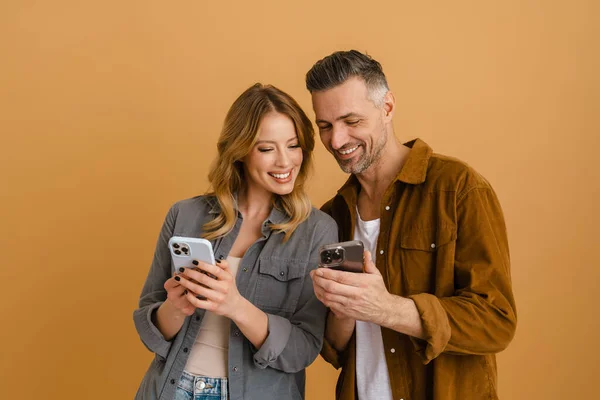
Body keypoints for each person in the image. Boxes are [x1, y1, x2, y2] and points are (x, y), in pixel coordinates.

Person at [307, 50, 517, 400]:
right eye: (325, 126)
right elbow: (335, 349)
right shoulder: (332, 215)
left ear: (387, 107)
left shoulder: (459, 189)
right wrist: (344, 308)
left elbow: (497, 321)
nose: (337, 140)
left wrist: (387, 308)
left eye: (351, 121)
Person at [133, 83, 338, 400]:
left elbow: (303, 349)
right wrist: (176, 307)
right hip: (171, 390)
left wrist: (236, 306)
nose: (285, 162)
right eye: (267, 149)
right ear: (240, 151)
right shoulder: (185, 215)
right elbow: (150, 329)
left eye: (294, 145)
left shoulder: (317, 231)